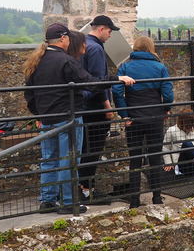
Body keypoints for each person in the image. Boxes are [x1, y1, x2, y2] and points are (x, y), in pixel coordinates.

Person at [24, 23, 134, 214]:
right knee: (69, 160)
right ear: (64, 39)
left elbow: (30, 94)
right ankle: (68, 202)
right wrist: (117, 79)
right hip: (68, 117)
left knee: (49, 160)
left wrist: (38, 114)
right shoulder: (66, 61)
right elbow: (89, 82)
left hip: (47, 119)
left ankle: (48, 200)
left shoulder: (38, 61)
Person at [112, 36, 174, 209]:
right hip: (155, 117)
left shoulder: (125, 67)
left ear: (136, 48)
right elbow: (167, 92)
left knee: (135, 160)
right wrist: (166, 109)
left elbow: (117, 92)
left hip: (133, 119)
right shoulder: (160, 67)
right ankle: (156, 198)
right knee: (155, 158)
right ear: (150, 48)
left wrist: (124, 115)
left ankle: (134, 201)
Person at [79, 15, 120, 202]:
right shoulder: (95, 48)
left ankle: (85, 187)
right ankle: (87, 190)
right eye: (110, 32)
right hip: (94, 107)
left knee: (85, 148)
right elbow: (98, 81)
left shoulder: (83, 44)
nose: (110, 36)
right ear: (101, 29)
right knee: (93, 149)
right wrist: (107, 106)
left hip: (84, 106)